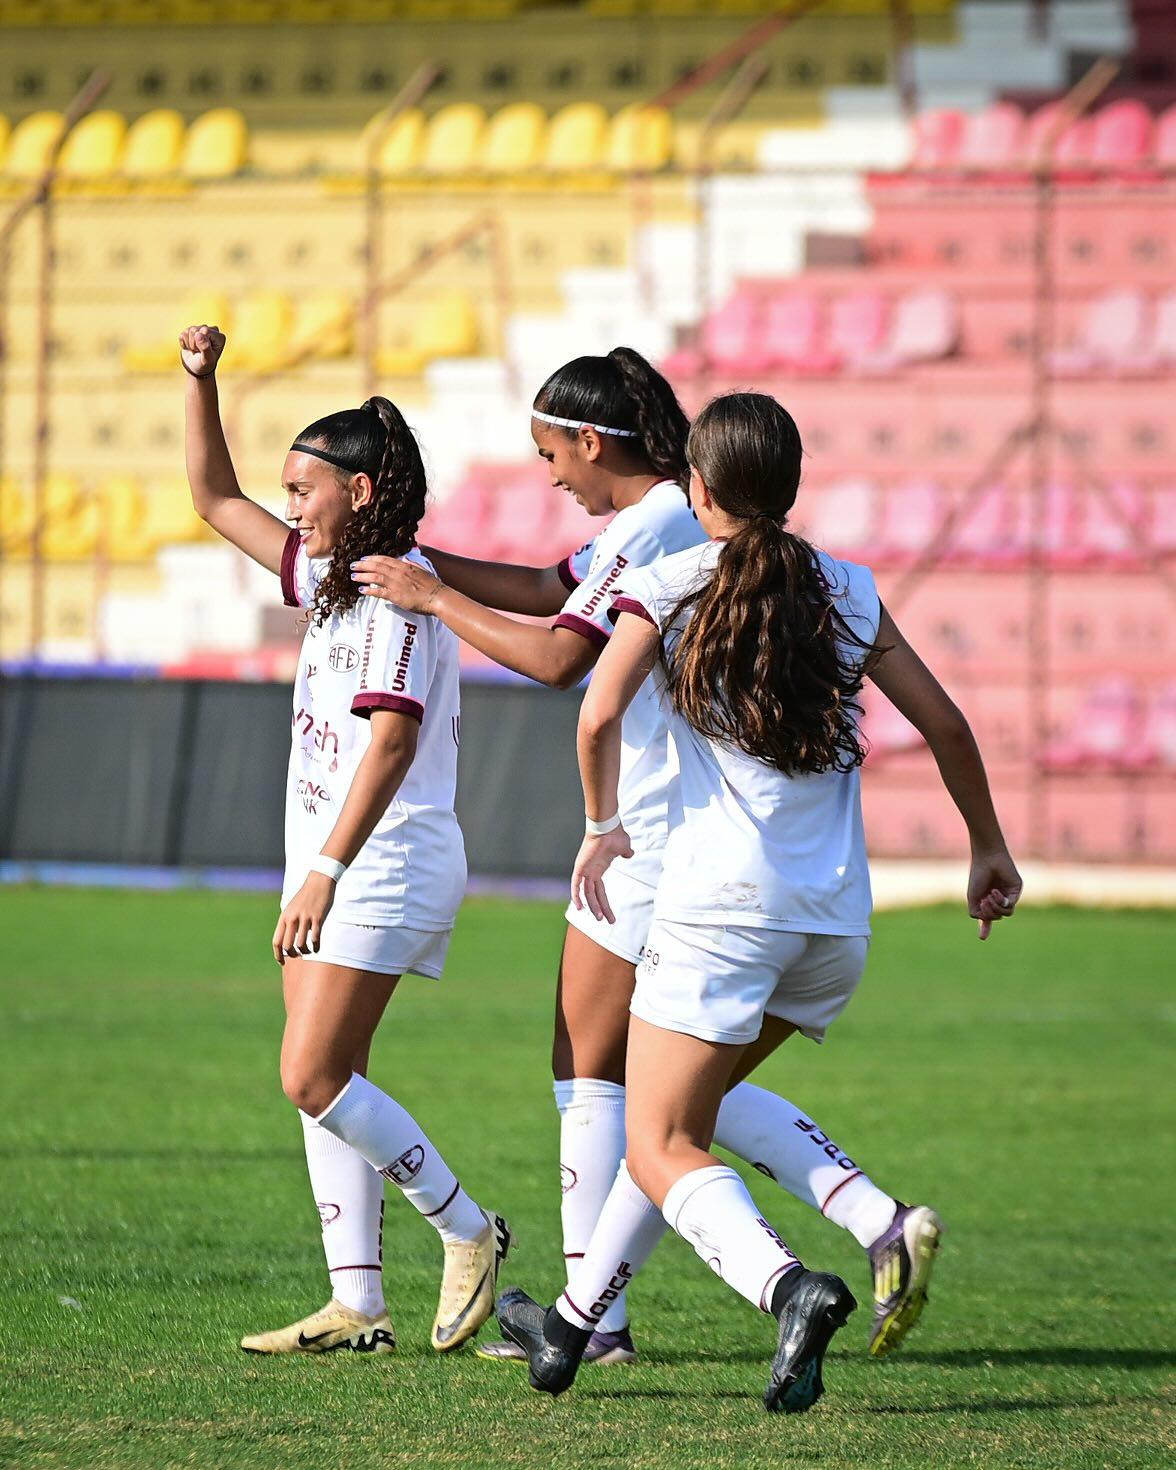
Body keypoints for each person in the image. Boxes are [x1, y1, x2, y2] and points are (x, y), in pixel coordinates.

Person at [353, 354, 945, 1366]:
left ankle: (633, 1316)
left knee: (604, 1084)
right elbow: (553, 590)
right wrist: (432, 571)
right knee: (660, 1096)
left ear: (592, 441)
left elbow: (564, 660)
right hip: (777, 884)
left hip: (667, 849)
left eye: (551, 455)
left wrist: (432, 595)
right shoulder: (685, 531)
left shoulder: (675, 534)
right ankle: (850, 1225)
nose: (549, 478)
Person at [494, 391, 1022, 1413]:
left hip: (719, 915)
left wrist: (602, 825)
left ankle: (789, 1289)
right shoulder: (851, 587)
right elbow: (950, 727)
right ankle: (568, 1328)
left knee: (657, 1142)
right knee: (687, 1118)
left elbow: (595, 710)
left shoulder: (670, 579)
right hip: (832, 927)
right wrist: (988, 848)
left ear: (697, 489)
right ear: (789, 484)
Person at [179, 322, 511, 1359]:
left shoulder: (392, 594)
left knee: (311, 1075)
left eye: (305, 490)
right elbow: (210, 499)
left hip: (381, 859)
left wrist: (323, 871)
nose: (288, 508)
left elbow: (393, 745)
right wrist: (202, 381)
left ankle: (470, 1232)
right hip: (334, 863)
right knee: (336, 1077)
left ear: (360, 492)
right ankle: (357, 1304)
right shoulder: (330, 576)